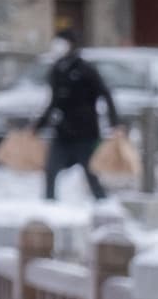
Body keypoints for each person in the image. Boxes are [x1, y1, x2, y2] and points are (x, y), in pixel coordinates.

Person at [34, 35, 119, 202]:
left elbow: (105, 94)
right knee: (51, 169)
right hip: (63, 131)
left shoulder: (85, 69)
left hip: (85, 131)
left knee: (90, 171)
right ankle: (49, 204)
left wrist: (114, 122)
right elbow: (55, 102)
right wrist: (39, 126)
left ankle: (102, 202)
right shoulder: (57, 70)